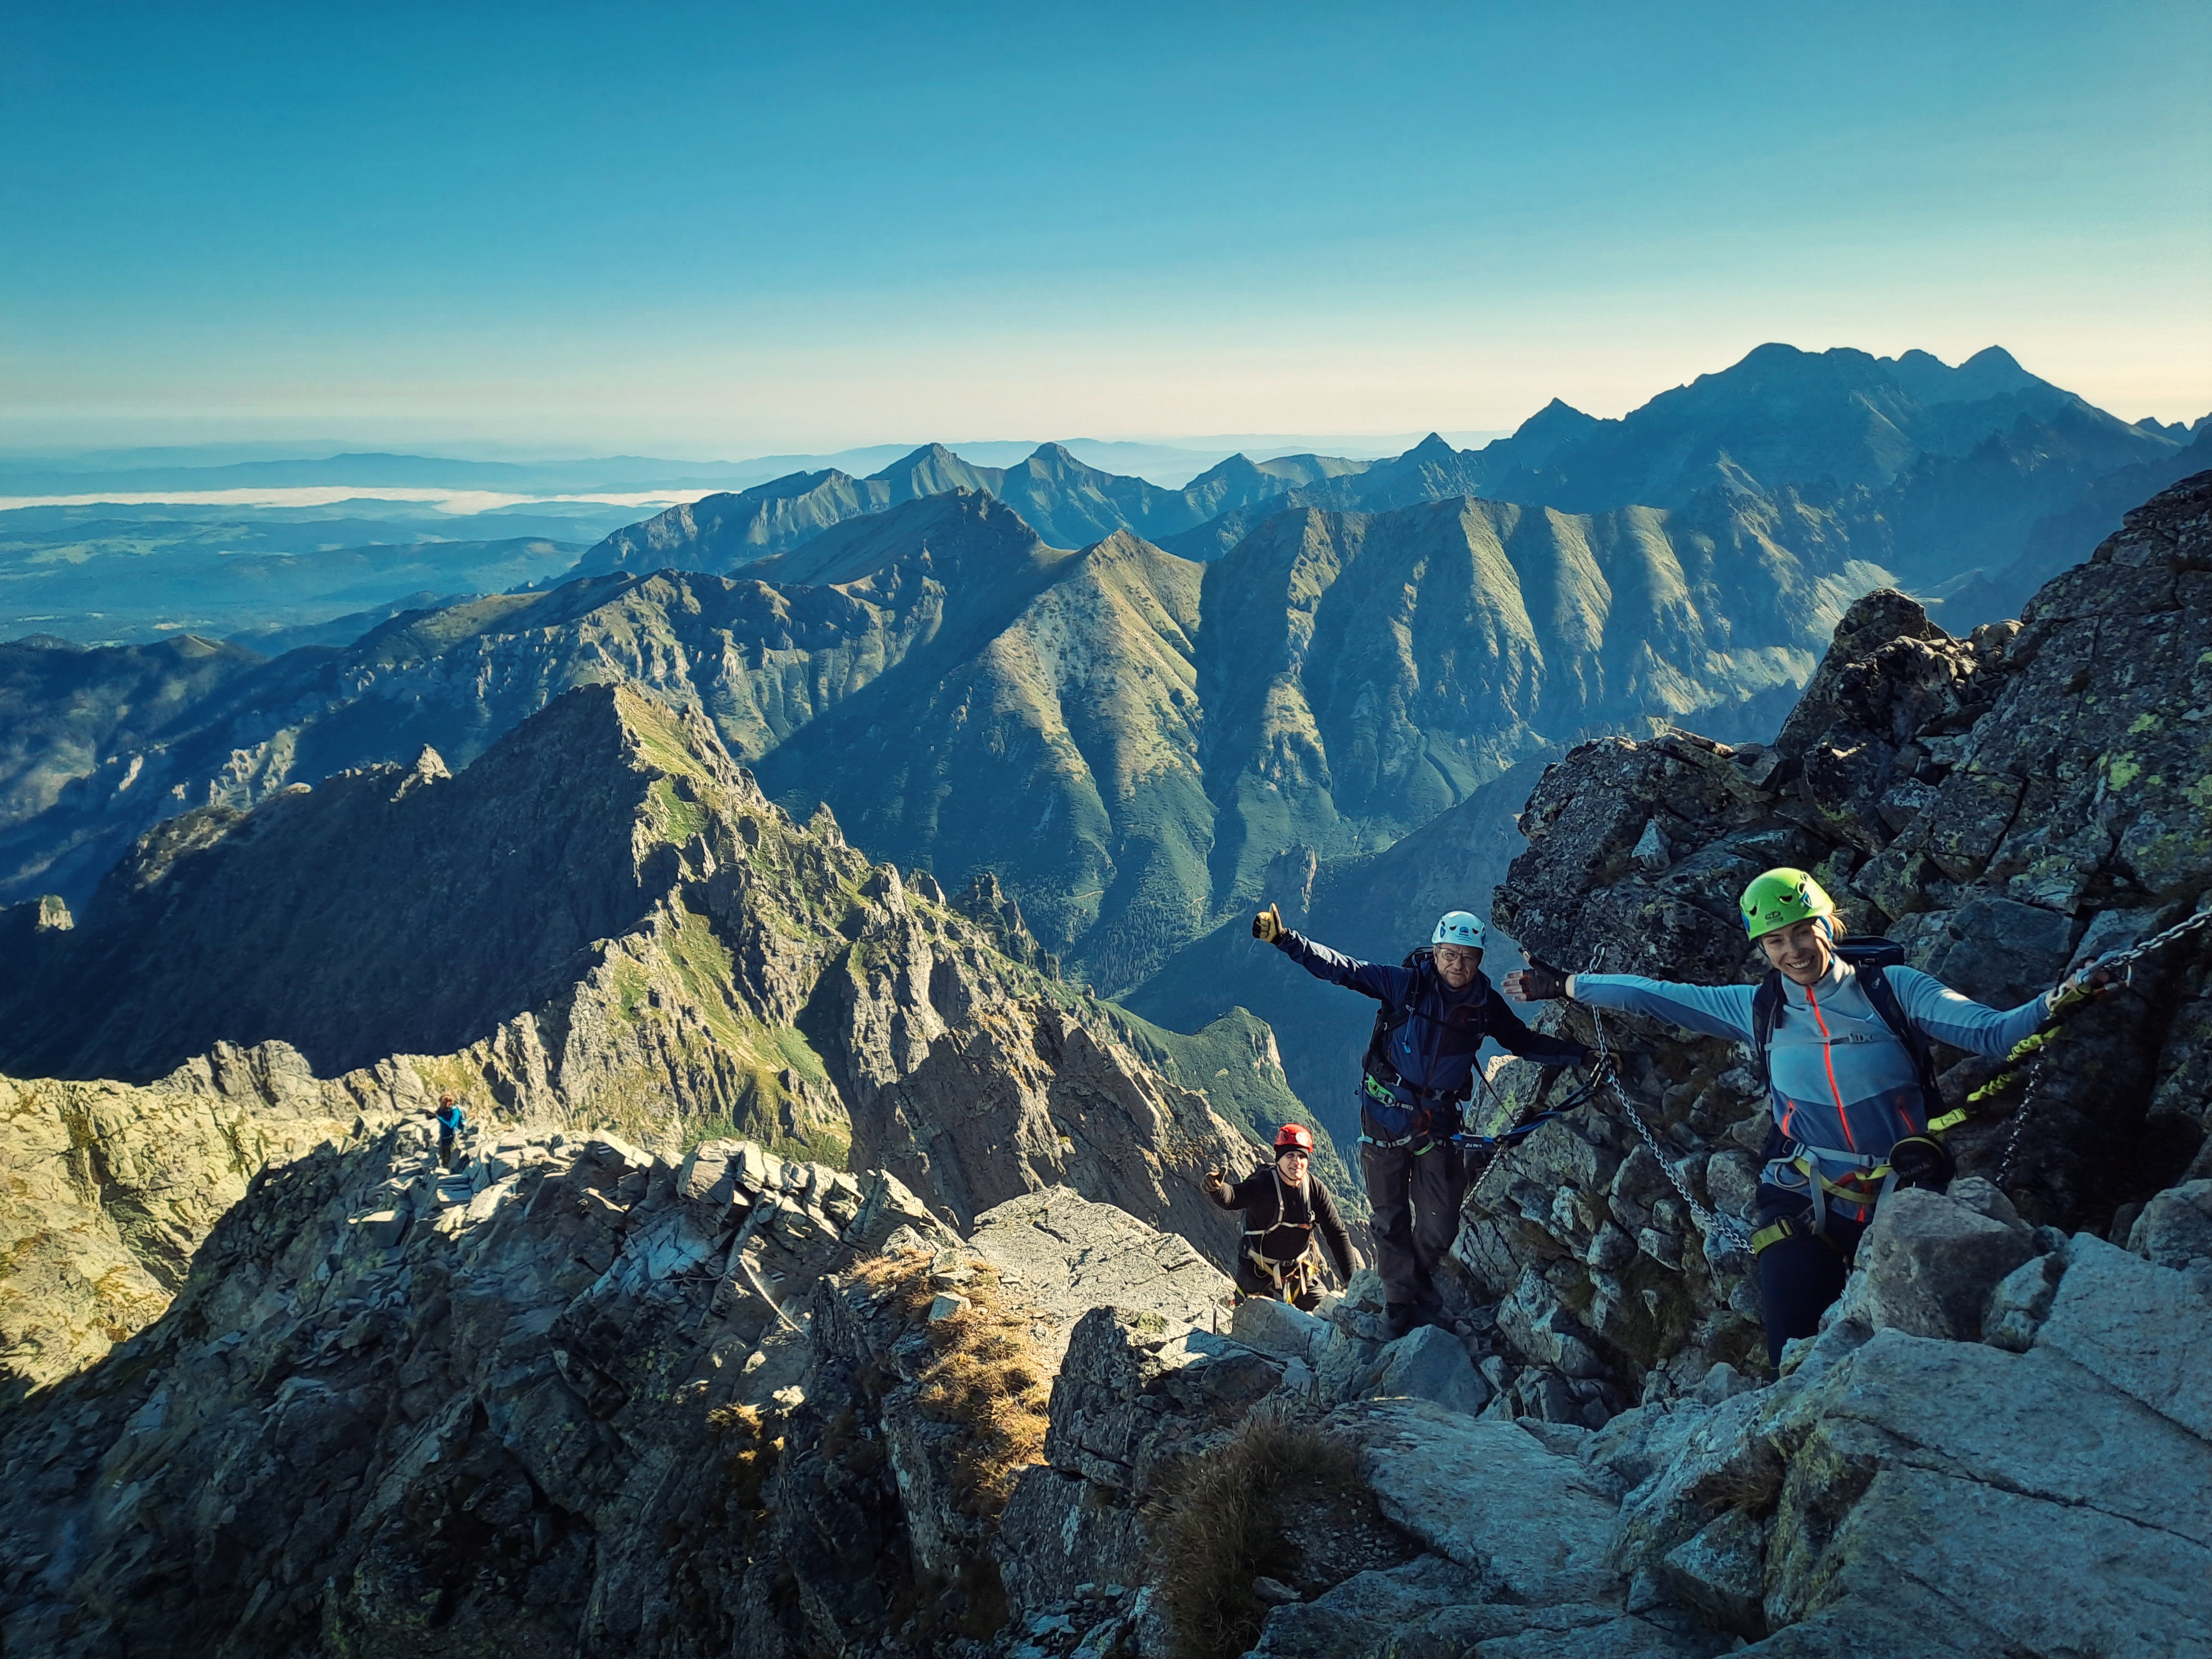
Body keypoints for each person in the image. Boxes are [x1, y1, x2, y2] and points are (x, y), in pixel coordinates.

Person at [1505, 866, 2110, 1364]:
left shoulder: (1893, 990)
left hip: (1907, 1185)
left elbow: (1992, 1033)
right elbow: (1656, 995)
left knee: (1929, 1347)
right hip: (1805, 1194)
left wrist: (2060, 1000)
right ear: (1762, 949)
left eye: (1802, 930)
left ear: (1828, 924)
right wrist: (1564, 986)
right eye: (1774, 940)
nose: (1792, 950)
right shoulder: (1757, 1008)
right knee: (1792, 1354)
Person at [1255, 903, 1601, 1338]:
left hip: (1436, 1122)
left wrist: (1583, 1055)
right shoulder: (1408, 986)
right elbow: (1344, 969)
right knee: (1390, 1216)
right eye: (1449, 954)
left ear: (1479, 959)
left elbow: (1523, 1042)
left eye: (1467, 956)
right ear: (1435, 953)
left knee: (1441, 1222)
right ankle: (1399, 1305)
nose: (1457, 964)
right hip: (1384, 1117)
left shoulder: (1485, 1006)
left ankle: (1409, 1282)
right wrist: (1288, 941)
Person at [1204, 1123, 1356, 1311]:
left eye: (1302, 1156)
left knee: (1329, 1318)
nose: (1297, 1162)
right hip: (1257, 1274)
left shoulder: (1315, 1190)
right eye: (1290, 1156)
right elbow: (1234, 1197)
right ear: (1278, 1159)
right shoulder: (1263, 1184)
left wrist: (1353, 1282)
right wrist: (1217, 1189)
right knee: (1253, 1333)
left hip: (1298, 1275)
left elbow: (1337, 1234)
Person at [431, 1094, 468, 1170]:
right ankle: (445, 1169)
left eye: (442, 1103)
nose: (441, 1105)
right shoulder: (444, 1110)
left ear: (447, 1103)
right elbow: (437, 1114)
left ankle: (453, 1171)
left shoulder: (455, 1111)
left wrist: (439, 1118)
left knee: (452, 1154)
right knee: (444, 1155)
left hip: (453, 1136)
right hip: (444, 1136)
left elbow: (451, 1125)